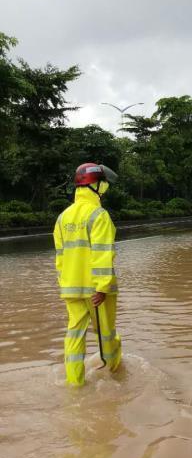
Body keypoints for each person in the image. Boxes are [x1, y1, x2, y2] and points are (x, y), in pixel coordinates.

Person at [53, 163, 122, 386]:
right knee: (106, 334)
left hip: (71, 288)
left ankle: (75, 383)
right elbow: (103, 253)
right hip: (95, 290)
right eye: (103, 184)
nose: (105, 188)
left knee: (74, 336)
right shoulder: (98, 215)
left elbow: (60, 257)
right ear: (96, 185)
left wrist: (64, 284)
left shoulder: (63, 217)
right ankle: (114, 375)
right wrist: (102, 287)